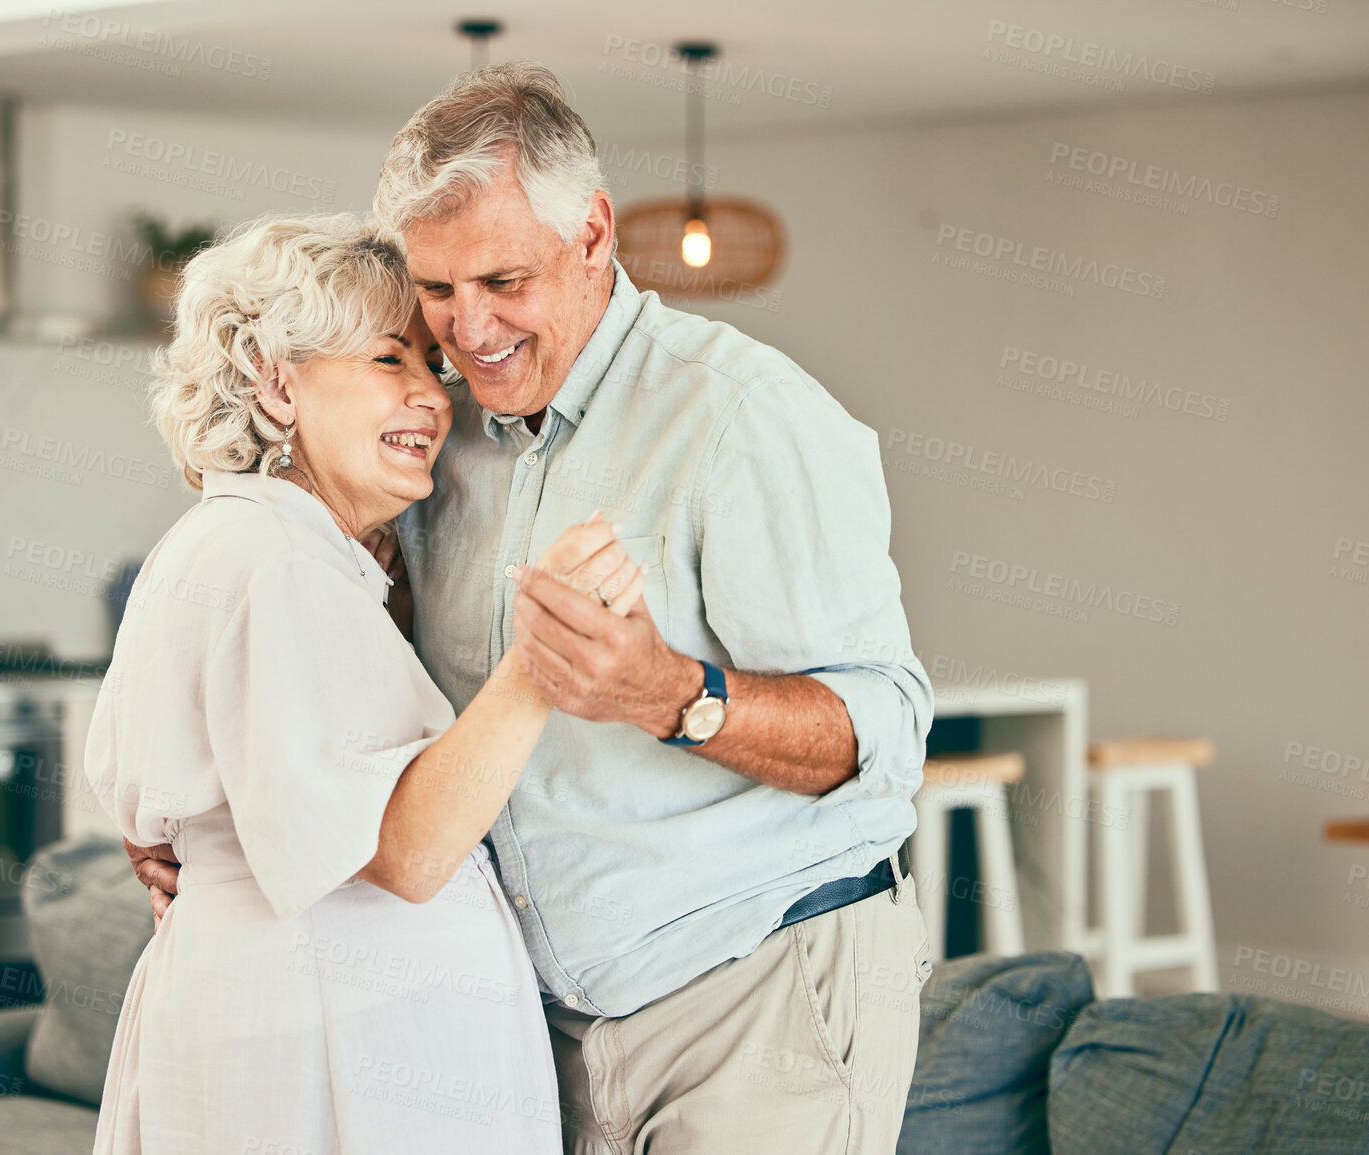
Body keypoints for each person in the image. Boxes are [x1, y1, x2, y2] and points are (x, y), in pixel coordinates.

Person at [136, 64, 936, 1153]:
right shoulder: (436, 441)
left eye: (503, 280)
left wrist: (674, 695)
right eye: (436, 290)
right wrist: (198, 815)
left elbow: (883, 732)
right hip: (542, 1027)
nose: (467, 331)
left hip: (751, 985)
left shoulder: (743, 415)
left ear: (595, 233)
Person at [85, 211, 648, 1154]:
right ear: (277, 381)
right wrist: (547, 648)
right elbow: (409, 855)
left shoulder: (274, 548)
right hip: (330, 1046)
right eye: (392, 359)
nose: (435, 396)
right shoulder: (270, 556)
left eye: (434, 366)